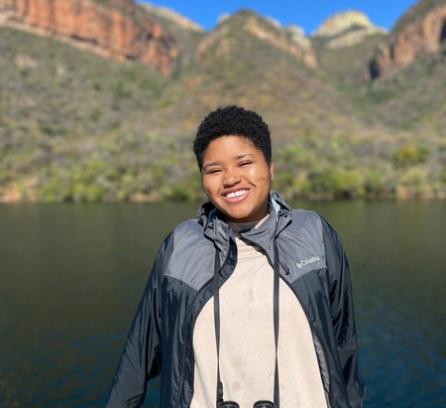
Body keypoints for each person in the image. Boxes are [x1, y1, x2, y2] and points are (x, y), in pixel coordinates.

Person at [106, 106, 365, 408]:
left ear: (270, 167)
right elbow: (138, 357)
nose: (230, 179)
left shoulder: (314, 235)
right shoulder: (180, 247)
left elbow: (344, 344)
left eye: (244, 163)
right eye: (214, 170)